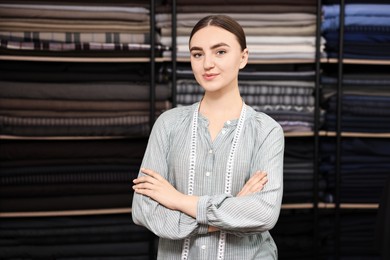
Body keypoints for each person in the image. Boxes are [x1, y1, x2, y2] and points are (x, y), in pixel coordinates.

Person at [132, 14, 284, 260]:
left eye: (220, 52)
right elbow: (143, 210)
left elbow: (263, 214)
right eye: (197, 53)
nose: (207, 64)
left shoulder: (266, 131)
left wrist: (177, 200)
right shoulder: (168, 124)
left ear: (243, 57)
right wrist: (231, 211)